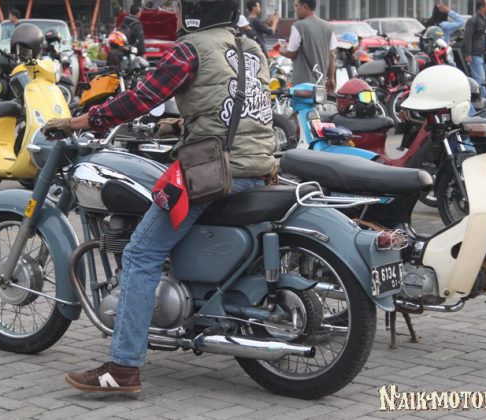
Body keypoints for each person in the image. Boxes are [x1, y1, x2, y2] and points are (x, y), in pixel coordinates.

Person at [43, 0, 275, 393]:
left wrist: (82, 121)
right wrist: (179, 124)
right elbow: (233, 107)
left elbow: (141, 97)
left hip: (214, 171)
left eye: (182, 7)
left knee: (140, 253)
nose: (178, 15)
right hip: (258, 167)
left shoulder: (190, 49)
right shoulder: (250, 47)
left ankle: (123, 367)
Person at [277, 0, 337, 91]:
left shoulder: (298, 26)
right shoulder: (328, 26)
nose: (295, 9)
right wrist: (331, 78)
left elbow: (291, 53)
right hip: (321, 83)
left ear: (304, 6)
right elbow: (331, 55)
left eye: (296, 6)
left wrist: (281, 50)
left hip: (302, 85)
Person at [463, 0, 486, 98]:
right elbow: (468, 37)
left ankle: (481, 99)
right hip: (475, 54)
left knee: (482, 79)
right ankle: (481, 100)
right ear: (482, 7)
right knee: (480, 79)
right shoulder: (473, 20)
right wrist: (468, 54)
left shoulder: (485, 20)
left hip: (483, 54)